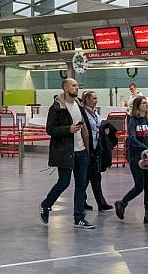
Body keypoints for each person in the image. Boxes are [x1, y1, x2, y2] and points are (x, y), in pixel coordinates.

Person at [40, 77, 94, 229]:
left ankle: (79, 217)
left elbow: (86, 128)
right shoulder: (57, 108)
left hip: (81, 150)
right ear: (65, 88)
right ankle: (46, 204)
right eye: (73, 85)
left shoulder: (79, 105)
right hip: (65, 151)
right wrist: (67, 130)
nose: (77, 88)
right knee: (64, 182)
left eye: (77, 85)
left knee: (81, 184)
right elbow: (50, 129)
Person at [115, 96, 148, 223]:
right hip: (136, 156)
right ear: (138, 106)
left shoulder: (147, 120)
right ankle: (122, 202)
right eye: (143, 103)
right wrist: (144, 148)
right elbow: (132, 138)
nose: (146, 105)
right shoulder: (133, 120)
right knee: (139, 186)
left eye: (146, 103)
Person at [80, 90, 112, 212]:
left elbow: (98, 125)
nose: (96, 100)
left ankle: (99, 202)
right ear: (87, 99)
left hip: (96, 148)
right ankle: (86, 201)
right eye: (94, 98)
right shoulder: (83, 113)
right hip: (87, 149)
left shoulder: (94, 113)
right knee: (89, 177)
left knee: (94, 176)